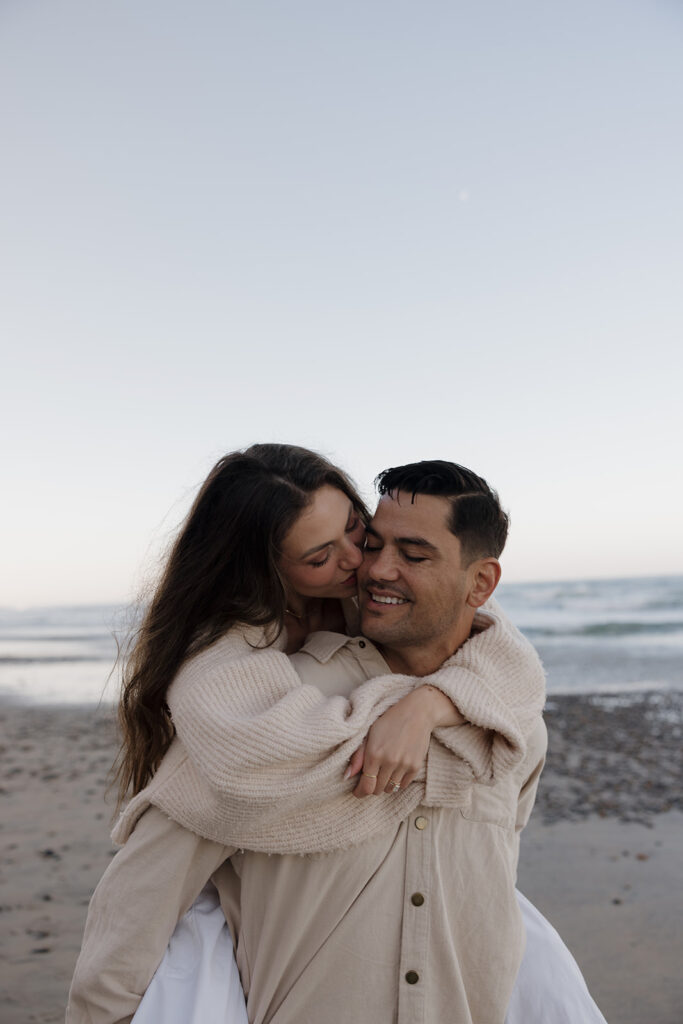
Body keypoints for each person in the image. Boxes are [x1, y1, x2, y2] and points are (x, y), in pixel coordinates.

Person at [66, 447, 605, 1023]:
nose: (368, 566)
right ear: (274, 571)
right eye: (337, 552)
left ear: (481, 582)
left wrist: (431, 704)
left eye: (371, 538)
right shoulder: (258, 720)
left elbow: (496, 871)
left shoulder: (510, 722)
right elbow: (138, 901)